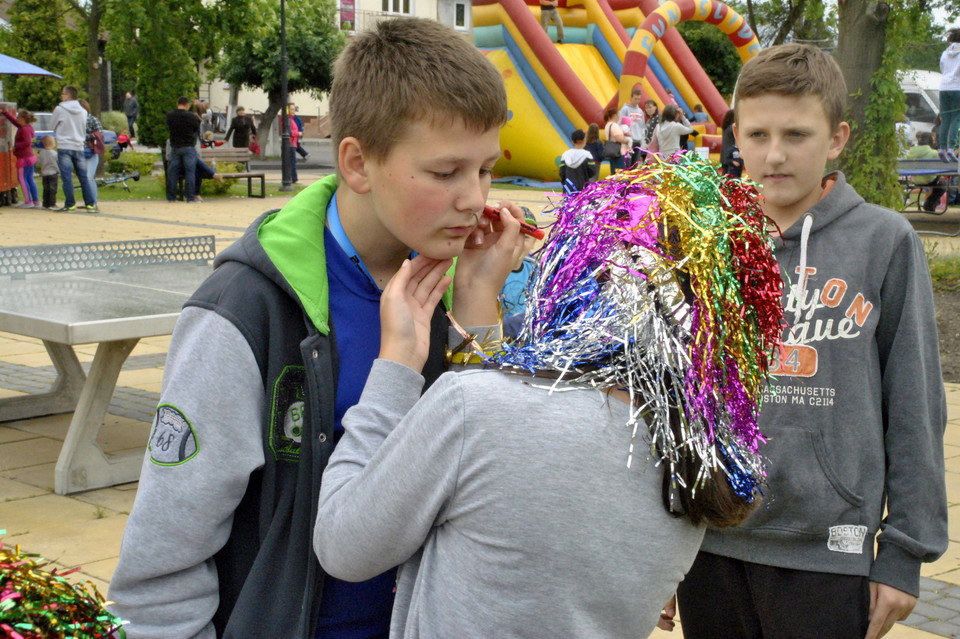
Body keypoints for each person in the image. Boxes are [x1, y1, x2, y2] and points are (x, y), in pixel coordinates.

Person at [108, 16, 523, 639]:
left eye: (487, 169)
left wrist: (478, 312)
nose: (475, 198)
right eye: (446, 173)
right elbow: (161, 567)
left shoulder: (480, 278)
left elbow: (496, 486)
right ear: (357, 162)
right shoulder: (245, 312)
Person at [314, 155, 784, 639]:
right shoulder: (699, 459)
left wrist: (395, 366)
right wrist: (476, 292)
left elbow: (345, 546)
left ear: (586, 270)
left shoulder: (473, 409)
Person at [675, 42, 948, 639]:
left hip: (829, 553)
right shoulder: (706, 243)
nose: (773, 155)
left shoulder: (884, 241)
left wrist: (903, 554)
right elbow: (675, 397)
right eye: (757, 134)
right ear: (736, 137)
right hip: (709, 543)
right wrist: (656, 541)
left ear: (836, 139)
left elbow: (915, 405)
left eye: (796, 135)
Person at [50, 85, 96, 213]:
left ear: (68, 95)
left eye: (63, 93)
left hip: (65, 145)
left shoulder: (59, 109)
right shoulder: (83, 111)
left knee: (67, 177)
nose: (61, 96)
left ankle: (70, 204)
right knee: (83, 177)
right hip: (79, 146)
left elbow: (52, 125)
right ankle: (90, 204)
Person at [165, 96, 201, 203]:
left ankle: (171, 197)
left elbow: (169, 127)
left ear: (178, 103)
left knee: (173, 172)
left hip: (175, 146)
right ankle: (190, 197)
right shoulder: (191, 116)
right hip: (188, 146)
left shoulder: (170, 115)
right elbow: (196, 129)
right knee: (190, 172)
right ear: (187, 104)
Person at [2, 108, 39, 208]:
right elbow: (14, 122)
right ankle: (36, 201)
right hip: (30, 157)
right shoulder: (27, 127)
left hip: (24, 158)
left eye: (18, 117)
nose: (16, 118)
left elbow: (27, 142)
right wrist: (5, 112)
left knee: (22, 179)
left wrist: (15, 146)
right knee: (30, 179)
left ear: (22, 118)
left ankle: (28, 201)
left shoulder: (24, 129)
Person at [906, 130, 947, 212]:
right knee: (942, 185)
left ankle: (929, 204)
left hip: (915, 180)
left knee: (938, 181)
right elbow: (940, 167)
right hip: (929, 179)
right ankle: (929, 204)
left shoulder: (911, 152)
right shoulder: (933, 152)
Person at [938, 28, 960, 162]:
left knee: (945, 118)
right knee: (956, 118)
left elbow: (942, 68)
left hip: (944, 86)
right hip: (957, 87)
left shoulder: (945, 52)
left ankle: (941, 148)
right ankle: (951, 147)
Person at [78, 98, 105, 211]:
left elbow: (100, 135)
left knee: (89, 177)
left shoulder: (92, 120)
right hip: (79, 151)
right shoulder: (75, 121)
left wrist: (86, 137)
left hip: (91, 151)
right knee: (84, 178)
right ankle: (88, 201)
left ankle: (93, 201)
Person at [559, 128, 597, 193]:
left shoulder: (565, 155)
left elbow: (562, 173)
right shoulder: (587, 155)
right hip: (583, 188)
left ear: (572, 141)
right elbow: (592, 172)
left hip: (568, 188)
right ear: (584, 140)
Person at [620, 88, 646, 165]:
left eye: (639, 99)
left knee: (635, 164)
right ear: (631, 98)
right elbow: (620, 124)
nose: (637, 101)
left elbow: (642, 126)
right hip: (629, 141)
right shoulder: (625, 109)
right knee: (627, 163)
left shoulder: (640, 111)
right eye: (635, 99)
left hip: (638, 141)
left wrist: (642, 139)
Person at [602, 106, 628, 173]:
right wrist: (626, 141)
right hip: (618, 152)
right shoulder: (614, 125)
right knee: (620, 172)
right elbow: (618, 138)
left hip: (612, 151)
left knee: (613, 171)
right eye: (618, 115)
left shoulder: (607, 125)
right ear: (615, 115)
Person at [719, 108, 743, 177]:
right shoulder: (732, 128)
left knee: (726, 174)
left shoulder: (726, 128)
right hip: (733, 154)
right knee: (734, 175)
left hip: (726, 153)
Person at [37, 135, 59, 210]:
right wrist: (59, 171)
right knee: (53, 189)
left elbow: (39, 162)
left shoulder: (41, 153)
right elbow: (57, 163)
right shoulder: (54, 154)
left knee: (46, 189)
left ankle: (45, 203)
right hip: (53, 173)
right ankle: (52, 204)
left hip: (44, 173)